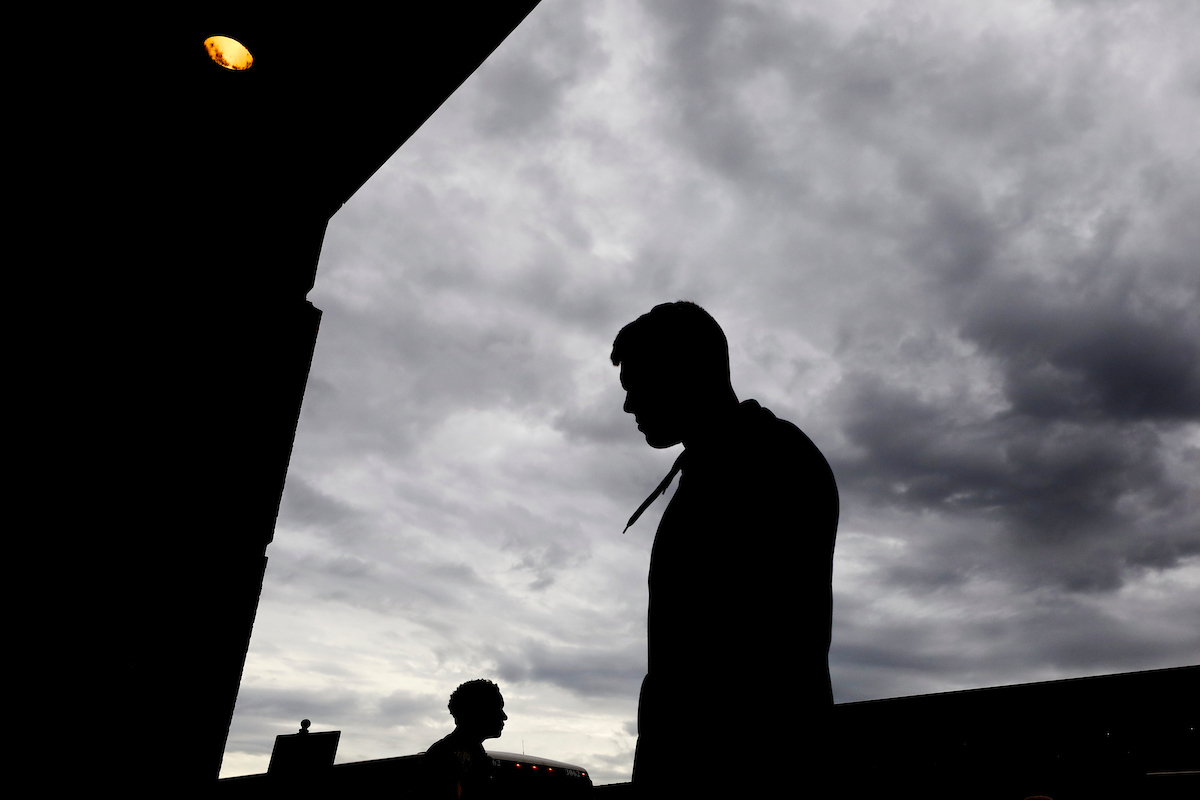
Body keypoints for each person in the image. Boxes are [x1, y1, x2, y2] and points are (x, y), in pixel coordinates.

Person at [613, 301, 839, 797]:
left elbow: (755, 654)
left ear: (683, 372)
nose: (629, 406)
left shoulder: (767, 462)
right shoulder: (728, 462)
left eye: (637, 385)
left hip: (740, 782)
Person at [419, 679, 508, 799]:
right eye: (497, 709)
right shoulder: (453, 757)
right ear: (478, 712)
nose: (504, 716)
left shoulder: (461, 752)